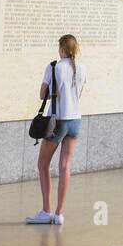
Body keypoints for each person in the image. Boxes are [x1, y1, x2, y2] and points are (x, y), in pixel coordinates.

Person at [26, 34, 86, 226]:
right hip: (75, 121)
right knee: (65, 167)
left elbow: (42, 94)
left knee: (43, 165)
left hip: (56, 121)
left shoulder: (54, 67)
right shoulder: (82, 68)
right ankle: (59, 214)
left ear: (61, 48)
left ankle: (45, 211)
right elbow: (78, 94)